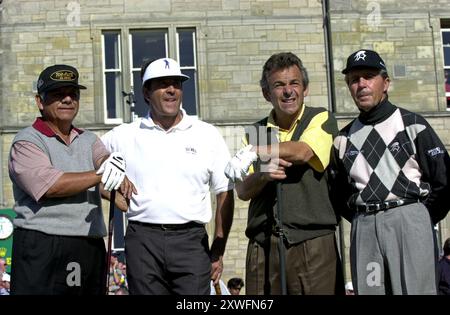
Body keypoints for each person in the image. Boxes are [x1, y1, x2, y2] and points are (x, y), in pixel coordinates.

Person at [101, 57, 235, 295]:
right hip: (143, 240)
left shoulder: (207, 134)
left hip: (191, 241)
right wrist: (109, 190)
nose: (171, 90)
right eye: (162, 84)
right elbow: (90, 160)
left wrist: (219, 248)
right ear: (146, 92)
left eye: (176, 83)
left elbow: (224, 192)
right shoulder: (123, 135)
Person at [8, 64, 135, 295]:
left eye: (72, 94)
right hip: (43, 243)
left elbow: (102, 159)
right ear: (40, 101)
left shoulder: (88, 139)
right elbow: (51, 185)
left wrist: (116, 176)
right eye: (58, 94)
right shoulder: (26, 141)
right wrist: (102, 173)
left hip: (88, 244)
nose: (67, 99)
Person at [331, 49, 450, 294]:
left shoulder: (413, 124)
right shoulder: (342, 139)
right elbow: (338, 193)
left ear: (385, 83)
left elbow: (444, 180)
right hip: (364, 227)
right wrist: (362, 219)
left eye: (369, 76)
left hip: (409, 220)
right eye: (354, 79)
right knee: (370, 290)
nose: (361, 84)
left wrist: (420, 216)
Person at [225, 52, 344, 295]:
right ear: (267, 94)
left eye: (294, 83)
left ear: (305, 88)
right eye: (279, 85)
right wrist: (263, 176)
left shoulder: (319, 117)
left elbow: (302, 151)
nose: (288, 91)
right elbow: (243, 190)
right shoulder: (258, 130)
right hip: (263, 243)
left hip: (311, 241)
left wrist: (255, 151)